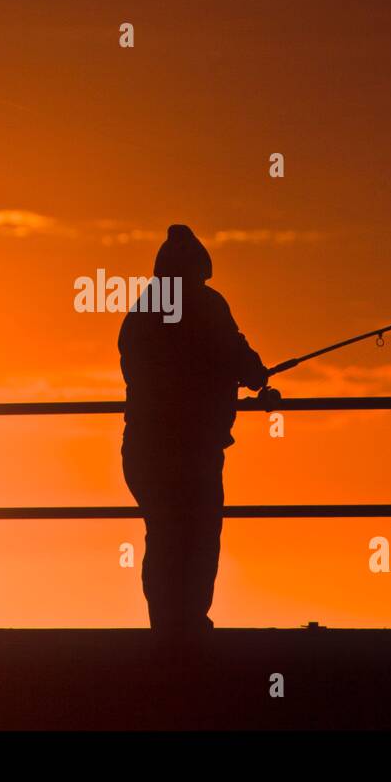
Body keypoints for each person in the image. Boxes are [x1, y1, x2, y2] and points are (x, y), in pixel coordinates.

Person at [118, 225, 268, 635]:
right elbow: (234, 353)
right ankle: (189, 624)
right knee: (198, 538)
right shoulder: (206, 305)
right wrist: (257, 378)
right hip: (193, 449)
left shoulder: (141, 313)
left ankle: (166, 625)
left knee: (164, 537)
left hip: (144, 448)